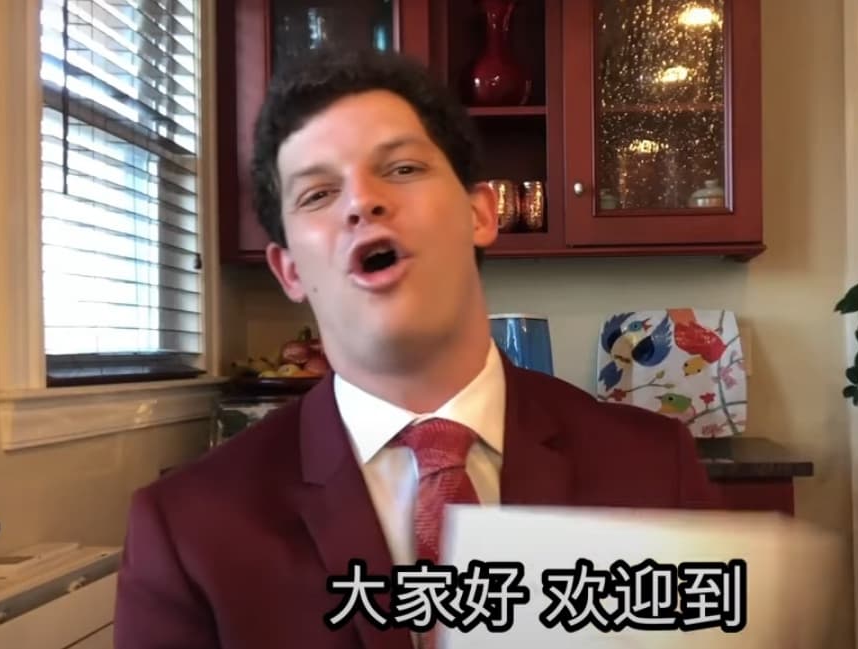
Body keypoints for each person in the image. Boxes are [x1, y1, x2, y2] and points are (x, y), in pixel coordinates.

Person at [113, 47, 722, 649]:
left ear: (481, 214)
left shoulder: (652, 468)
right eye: (318, 193)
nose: (362, 202)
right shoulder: (187, 528)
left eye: (402, 169)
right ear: (290, 269)